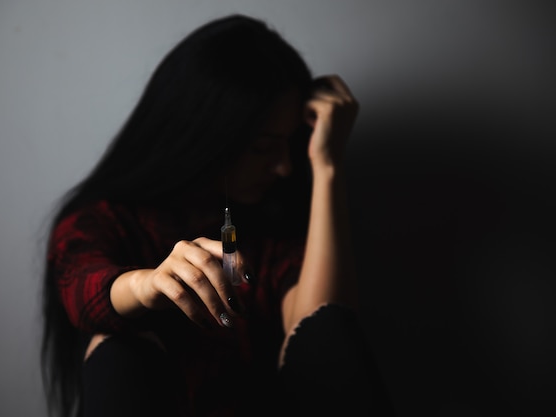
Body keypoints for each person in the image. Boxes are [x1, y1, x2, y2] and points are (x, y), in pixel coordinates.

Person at [40, 13, 395, 417]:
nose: (284, 168)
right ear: (209, 137)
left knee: (328, 330)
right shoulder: (103, 222)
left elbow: (323, 332)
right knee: (119, 339)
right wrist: (149, 285)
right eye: (263, 148)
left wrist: (328, 166)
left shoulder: (272, 225)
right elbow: (81, 291)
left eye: (289, 145)